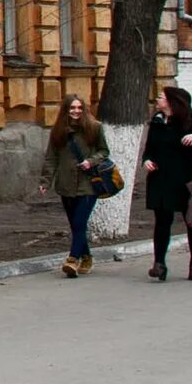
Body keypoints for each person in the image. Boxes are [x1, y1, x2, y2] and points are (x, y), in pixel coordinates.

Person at [140, 85, 192, 283]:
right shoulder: (157, 122)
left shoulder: (188, 125)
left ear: (171, 101)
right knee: (162, 223)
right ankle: (159, 264)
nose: (157, 100)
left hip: (185, 182)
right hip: (160, 180)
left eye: (160, 97)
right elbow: (148, 149)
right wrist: (146, 161)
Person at [40, 93, 112, 276]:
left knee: (80, 222)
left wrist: (91, 161)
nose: (76, 111)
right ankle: (87, 256)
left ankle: (72, 259)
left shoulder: (94, 128)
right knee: (75, 224)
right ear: (66, 110)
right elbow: (51, 158)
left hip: (88, 184)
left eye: (79, 108)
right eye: (72, 108)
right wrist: (45, 181)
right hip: (65, 184)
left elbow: (104, 151)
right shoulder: (58, 131)